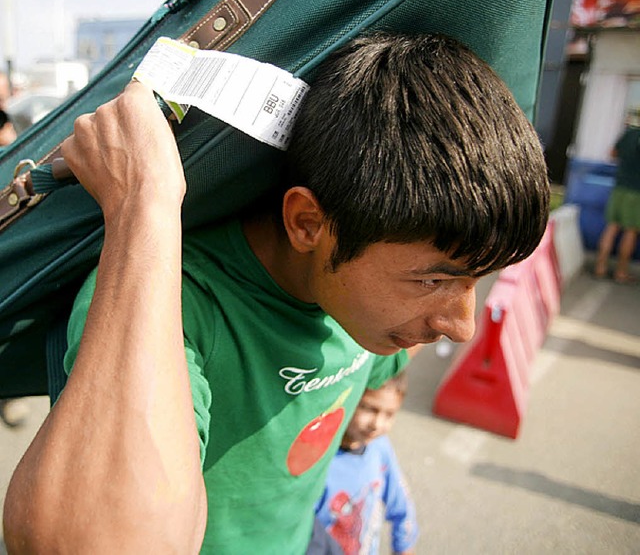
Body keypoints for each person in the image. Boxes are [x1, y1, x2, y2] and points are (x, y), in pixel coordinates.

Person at [3, 32, 550, 553]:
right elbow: (99, 546)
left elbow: (376, 382)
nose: (461, 325)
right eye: (433, 279)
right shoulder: (171, 300)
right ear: (308, 224)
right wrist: (142, 201)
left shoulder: (371, 312)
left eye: (477, 279)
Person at [315, 371, 418, 555]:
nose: (377, 424)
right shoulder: (317, 459)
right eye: (369, 409)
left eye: (389, 414)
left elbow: (401, 505)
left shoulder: (379, 447)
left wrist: (404, 546)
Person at [594, 113, 640, 284]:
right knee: (630, 231)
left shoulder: (630, 133)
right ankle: (621, 272)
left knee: (612, 227)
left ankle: (600, 267)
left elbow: (613, 153)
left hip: (620, 187)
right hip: (637, 192)